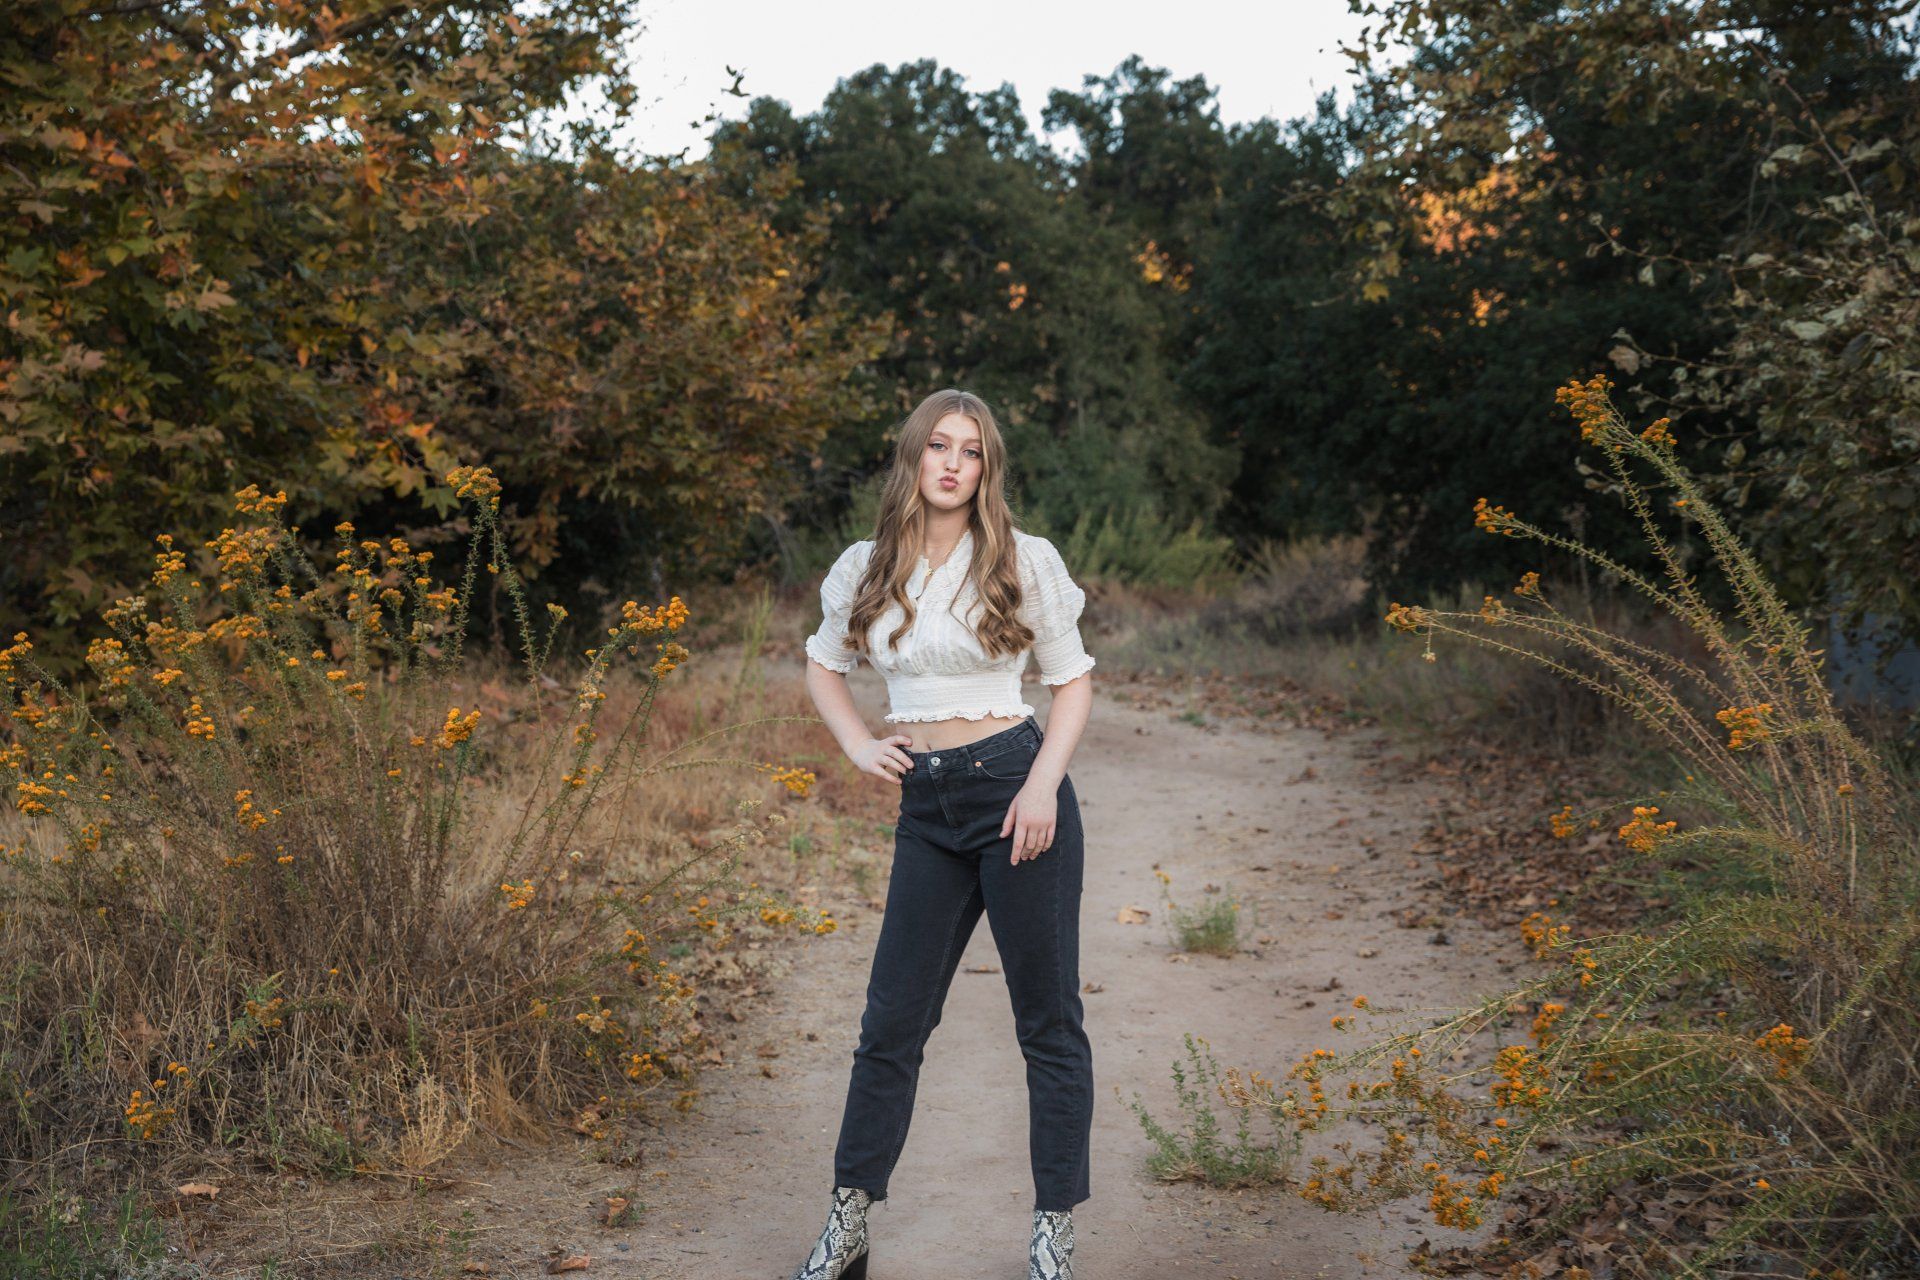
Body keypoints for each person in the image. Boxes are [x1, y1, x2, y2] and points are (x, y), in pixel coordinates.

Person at [788, 389, 1096, 1280]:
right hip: (926, 807)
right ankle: (847, 1227)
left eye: (971, 451)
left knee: (1047, 1024)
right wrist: (858, 744)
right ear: (913, 457)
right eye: (938, 446)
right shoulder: (867, 565)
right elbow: (823, 662)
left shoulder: (1021, 558)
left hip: (1014, 794)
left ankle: (1052, 1236)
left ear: (986, 467)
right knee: (890, 1024)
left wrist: (1041, 789)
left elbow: (1071, 683)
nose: (953, 464)